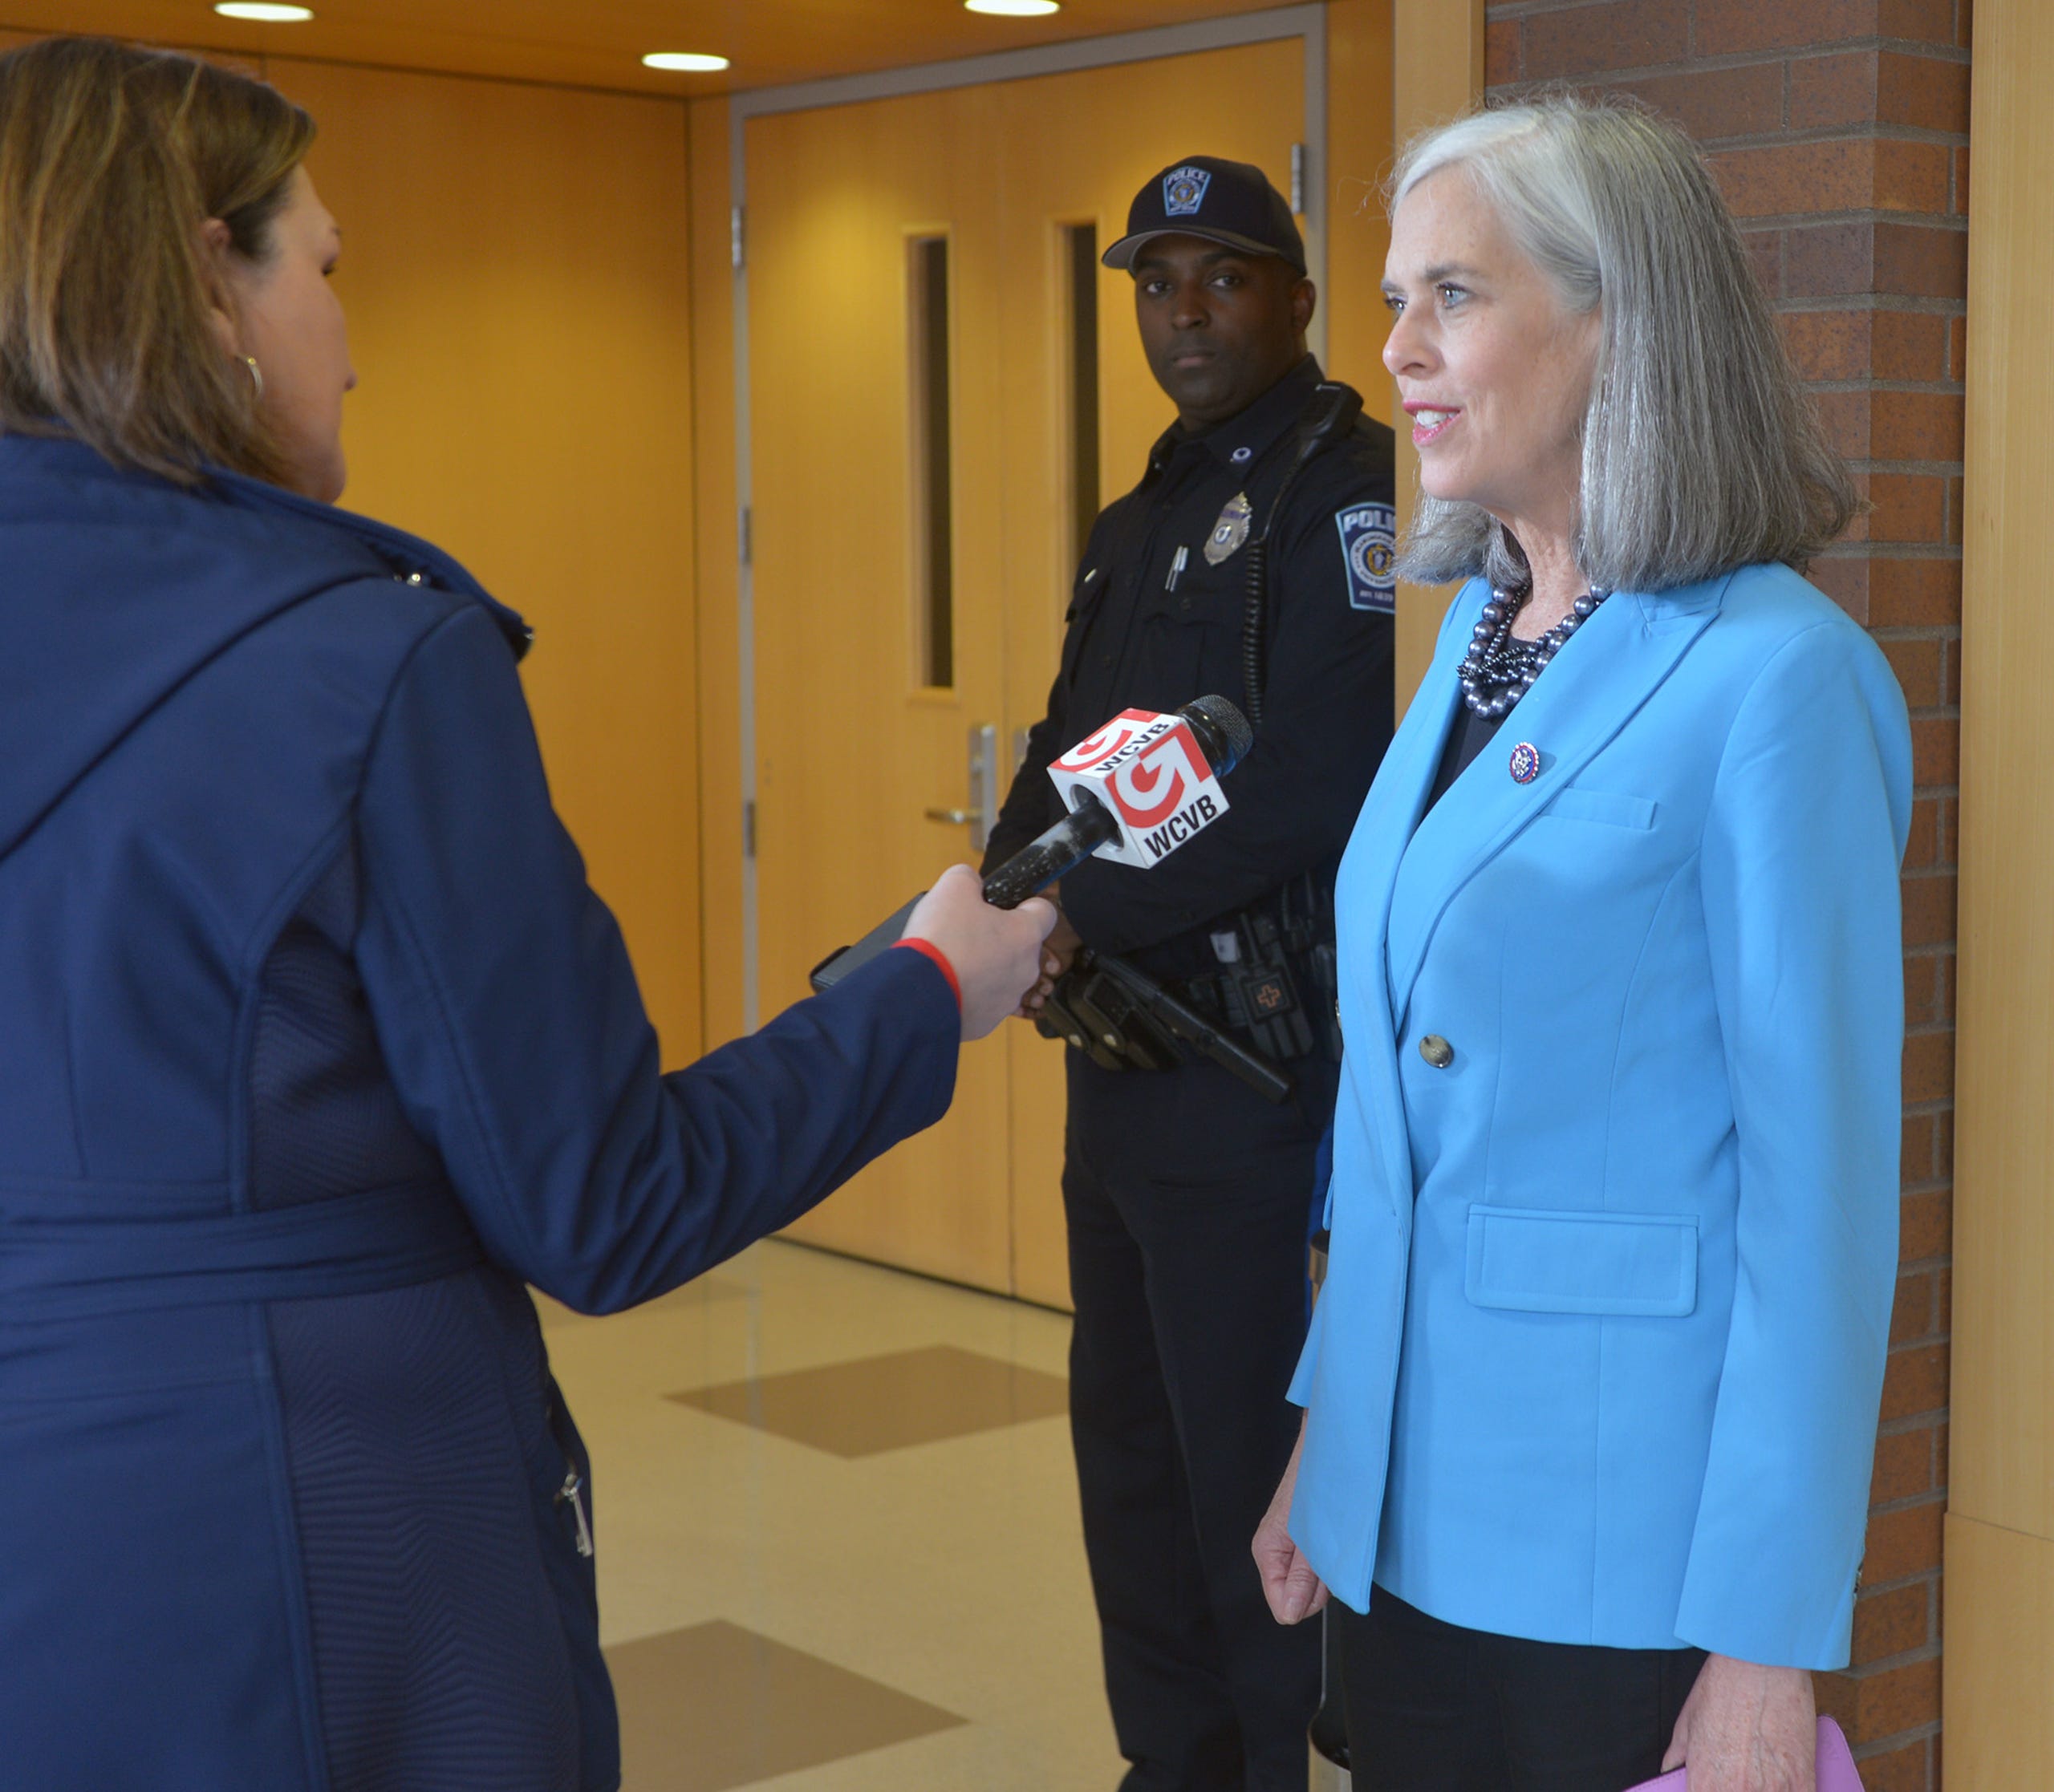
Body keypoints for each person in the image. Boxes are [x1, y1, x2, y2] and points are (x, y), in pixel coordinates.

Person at [0, 37, 1053, 1791]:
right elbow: (603, 1200)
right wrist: (922, 991)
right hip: (334, 1532)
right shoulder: (363, 661)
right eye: (324, 268)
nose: (355, 335)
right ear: (209, 283)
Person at [1249, 97, 1911, 1792]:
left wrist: (1768, 1634)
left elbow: (1815, 1203)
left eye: (1449, 295)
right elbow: (1402, 1114)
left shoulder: (1778, 678)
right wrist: (1332, 1440)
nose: (1393, 348)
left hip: (1621, 1552)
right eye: (1392, 296)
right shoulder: (1476, 626)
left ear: (1617, 312)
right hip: (1407, 1514)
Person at [984, 156, 1397, 1790]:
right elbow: (1067, 750)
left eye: (1221, 277)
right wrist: (1004, 889)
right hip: (1121, 1070)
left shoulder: (1343, 493)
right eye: (1157, 284)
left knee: (1243, 1478)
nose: (1183, 313)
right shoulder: (1138, 515)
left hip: (1252, 1074)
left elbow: (1318, 771)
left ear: (1296, 297)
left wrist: (1088, 905)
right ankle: (1173, 1768)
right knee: (1130, 1466)